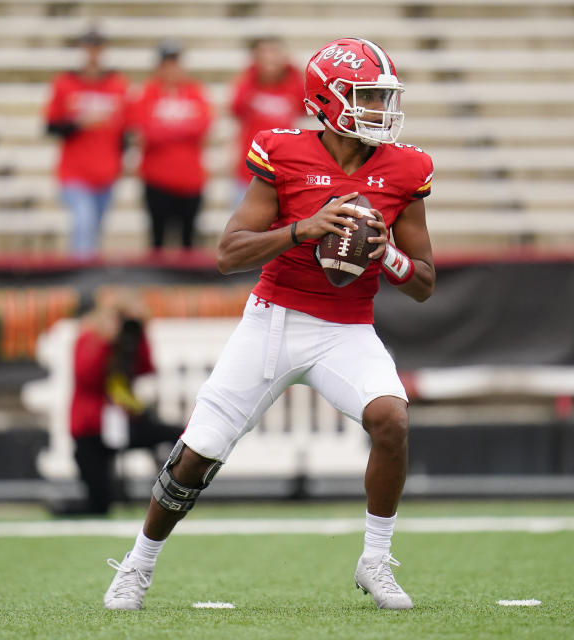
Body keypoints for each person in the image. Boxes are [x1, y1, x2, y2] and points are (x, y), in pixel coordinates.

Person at [104, 38, 434, 612]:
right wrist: (302, 230)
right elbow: (229, 253)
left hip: (347, 328)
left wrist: (388, 255)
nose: (381, 109)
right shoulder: (282, 153)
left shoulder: (405, 168)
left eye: (384, 97)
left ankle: (375, 560)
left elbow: (424, 281)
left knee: (392, 420)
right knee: (198, 452)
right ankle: (138, 563)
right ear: (327, 103)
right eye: (368, 97)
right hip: (273, 322)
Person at [66, 294, 185, 516]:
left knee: (178, 434)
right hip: (92, 428)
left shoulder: (128, 342)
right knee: (99, 506)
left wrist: (138, 334)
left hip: (124, 420)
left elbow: (146, 369)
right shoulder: (89, 338)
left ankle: (175, 492)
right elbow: (87, 376)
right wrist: (107, 341)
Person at [44, 28, 129, 255]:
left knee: (94, 230)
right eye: (89, 47)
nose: (93, 53)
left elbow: (125, 131)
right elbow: (51, 126)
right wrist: (79, 123)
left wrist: (121, 164)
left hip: (105, 173)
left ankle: (89, 279)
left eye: (97, 47)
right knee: (84, 222)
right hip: (75, 172)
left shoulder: (117, 85)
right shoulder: (65, 83)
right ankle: (80, 278)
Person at [128, 41, 212, 250]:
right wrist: (183, 129)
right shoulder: (146, 92)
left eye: (175, 63)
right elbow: (143, 132)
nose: (171, 69)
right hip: (157, 179)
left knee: (188, 241)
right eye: (167, 63)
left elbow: (203, 126)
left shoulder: (194, 91)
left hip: (191, 180)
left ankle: (189, 284)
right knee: (157, 240)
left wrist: (164, 129)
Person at [229, 36, 306, 204]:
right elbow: (236, 107)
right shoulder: (249, 84)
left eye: (274, 52)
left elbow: (307, 107)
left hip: (282, 170)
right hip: (249, 170)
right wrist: (252, 74)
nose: (269, 58)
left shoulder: (292, 85)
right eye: (264, 53)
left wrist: (293, 71)